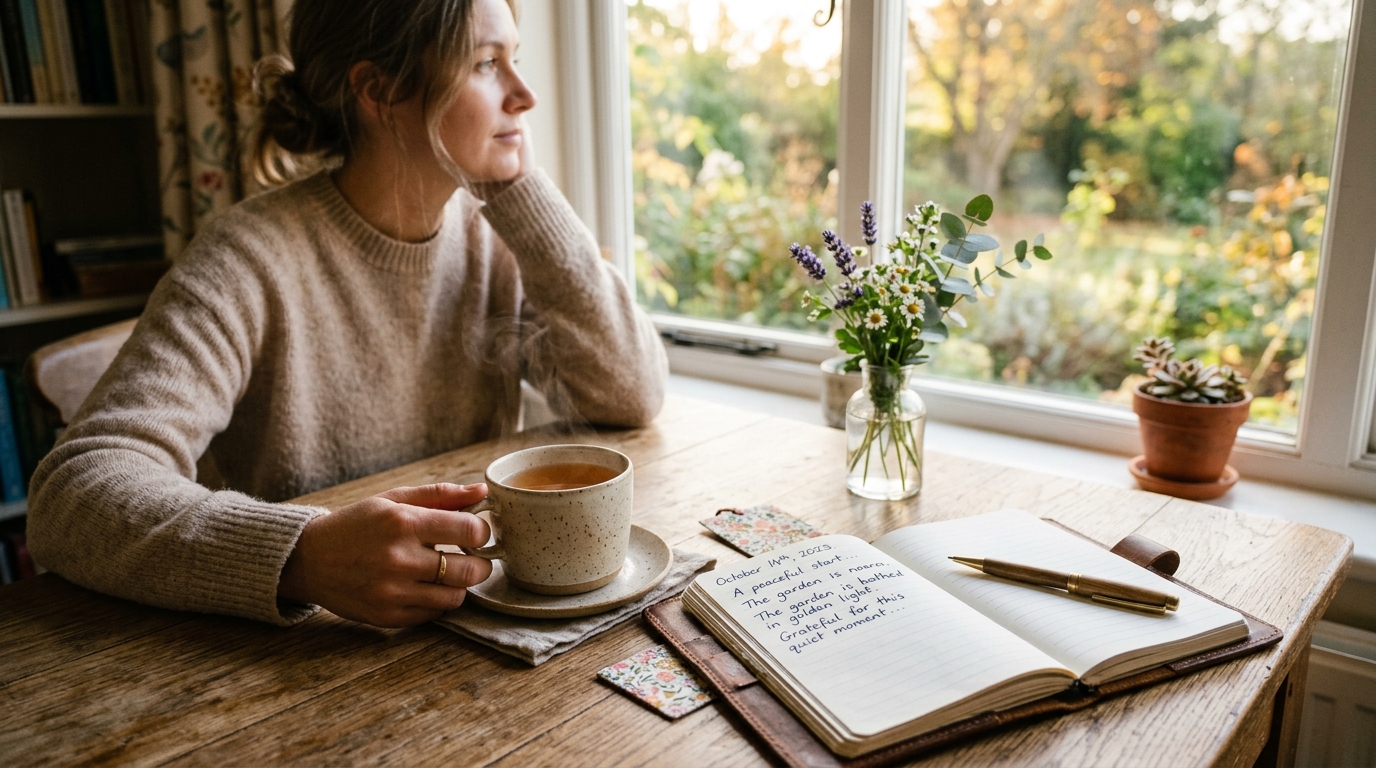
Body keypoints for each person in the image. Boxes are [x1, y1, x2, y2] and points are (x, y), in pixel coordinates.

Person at [26, 0, 666, 629]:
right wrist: (298, 556)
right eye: (485, 64)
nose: (525, 94)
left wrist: (520, 190)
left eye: (515, 59)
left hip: (482, 621)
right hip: (311, 653)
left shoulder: (497, 238)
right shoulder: (247, 259)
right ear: (379, 89)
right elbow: (72, 491)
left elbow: (629, 392)